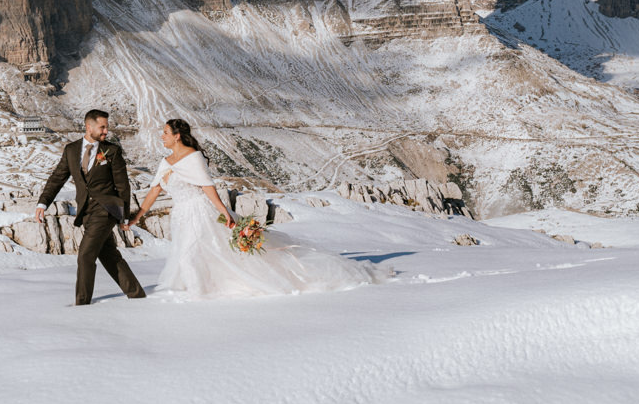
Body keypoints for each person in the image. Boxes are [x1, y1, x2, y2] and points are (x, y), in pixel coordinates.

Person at [126, 118, 383, 299]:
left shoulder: (193, 158)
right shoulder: (165, 161)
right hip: (180, 215)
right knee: (192, 254)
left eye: (165, 132)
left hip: (200, 211)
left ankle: (199, 296)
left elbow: (208, 188)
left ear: (177, 135)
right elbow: (154, 191)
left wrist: (225, 213)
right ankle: (200, 290)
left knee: (193, 254)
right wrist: (138, 216)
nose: (162, 136)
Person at [36, 109, 147, 305]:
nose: (106, 131)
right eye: (102, 127)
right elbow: (57, 178)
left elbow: (123, 185)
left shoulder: (112, 151)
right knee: (109, 255)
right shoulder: (71, 150)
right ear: (89, 127)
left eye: (107, 127)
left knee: (85, 255)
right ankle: (137, 294)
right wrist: (43, 202)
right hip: (85, 212)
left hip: (106, 211)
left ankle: (82, 304)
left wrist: (124, 217)